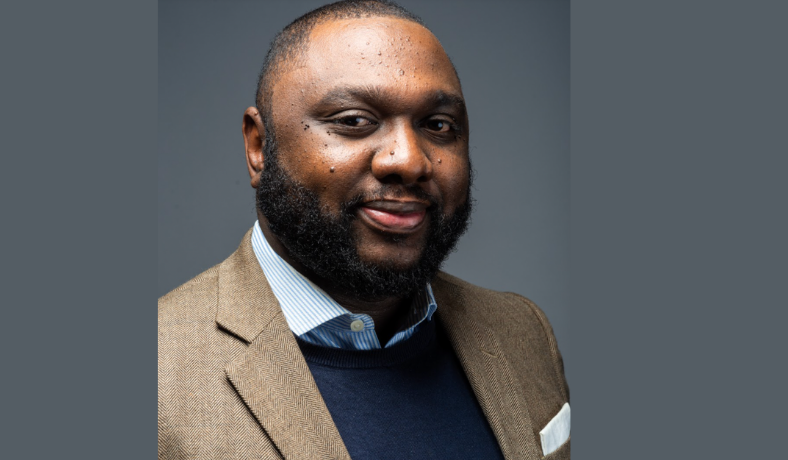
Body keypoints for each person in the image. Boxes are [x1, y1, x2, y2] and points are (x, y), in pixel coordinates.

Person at [158, 1, 569, 459]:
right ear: (259, 146)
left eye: (438, 125)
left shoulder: (522, 331)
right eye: (354, 121)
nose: (409, 160)